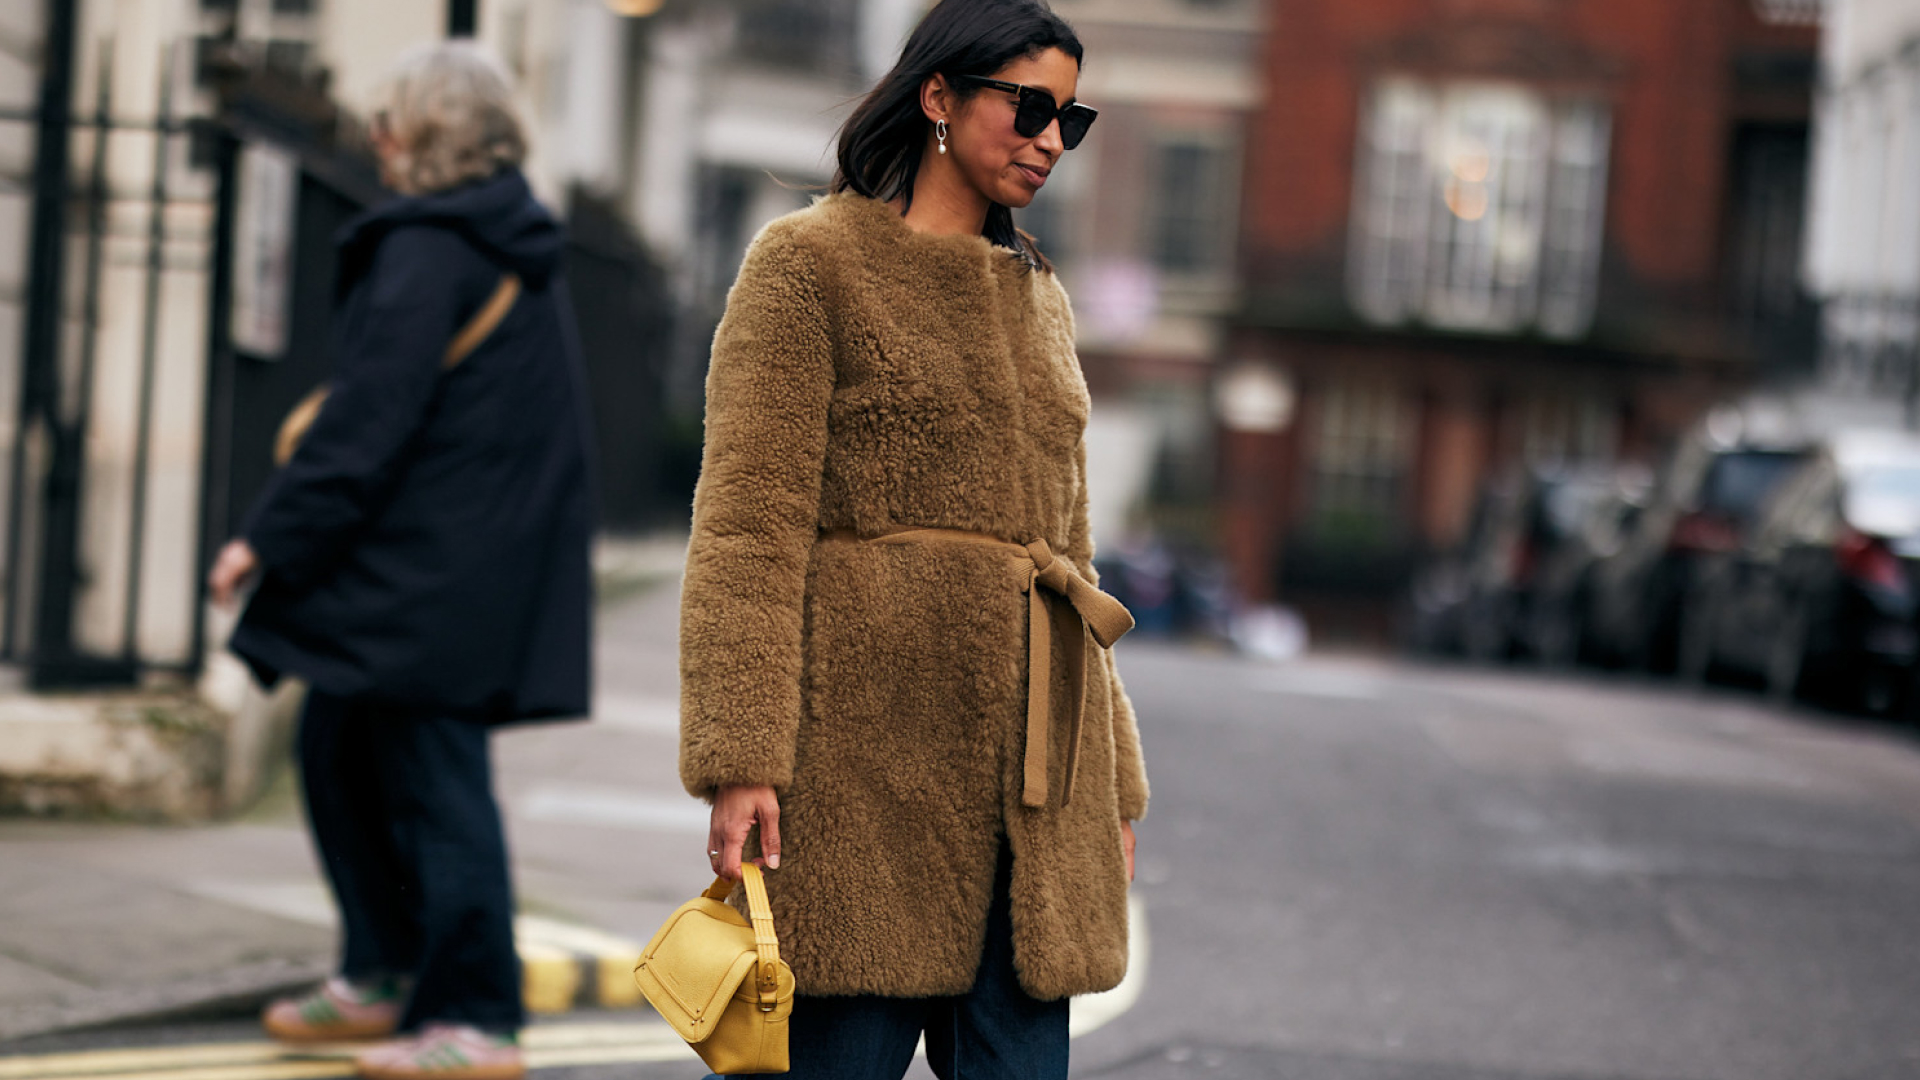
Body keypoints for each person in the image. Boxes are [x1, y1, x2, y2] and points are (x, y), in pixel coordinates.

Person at [678, 2, 1147, 1077]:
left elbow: (1073, 569)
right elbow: (748, 530)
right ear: (938, 95)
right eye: (1030, 107)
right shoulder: (809, 265)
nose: (1047, 140)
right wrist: (740, 758)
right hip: (860, 780)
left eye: (1068, 122)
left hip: (1032, 805)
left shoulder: (1042, 301)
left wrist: (1113, 790)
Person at [207, 40, 594, 1080]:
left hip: (434, 576)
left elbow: (365, 425)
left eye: (387, 122)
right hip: (462, 563)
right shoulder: (502, 239)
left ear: (423, 134)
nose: (373, 140)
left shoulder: (433, 247)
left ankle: (476, 1018)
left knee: (436, 786)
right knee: (337, 749)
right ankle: (382, 973)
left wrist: (264, 538)